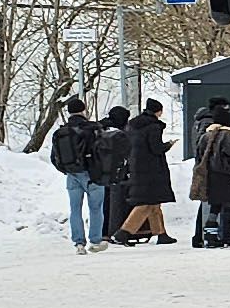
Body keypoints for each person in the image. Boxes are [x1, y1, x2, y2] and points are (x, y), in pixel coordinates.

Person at [115, 97, 178, 246]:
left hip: (137, 167)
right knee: (145, 204)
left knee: (154, 203)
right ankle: (123, 232)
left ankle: (161, 233)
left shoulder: (133, 125)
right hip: (152, 170)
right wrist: (168, 145)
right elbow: (156, 148)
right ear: (158, 111)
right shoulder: (153, 127)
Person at [51, 97, 109, 255]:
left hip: (72, 175)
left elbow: (54, 158)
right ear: (84, 110)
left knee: (75, 209)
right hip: (93, 175)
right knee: (96, 208)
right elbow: (104, 151)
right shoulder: (93, 129)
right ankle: (95, 240)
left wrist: (67, 170)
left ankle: (79, 243)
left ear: (68, 112)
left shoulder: (60, 132)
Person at [204, 117, 230, 247]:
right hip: (225, 174)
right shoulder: (226, 135)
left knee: (215, 204)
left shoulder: (206, 135)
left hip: (211, 174)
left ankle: (210, 236)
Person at [98, 107, 135, 243]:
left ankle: (101, 231)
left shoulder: (100, 129)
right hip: (117, 173)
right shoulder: (120, 134)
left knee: (101, 205)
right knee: (114, 204)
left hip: (99, 172)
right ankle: (112, 231)